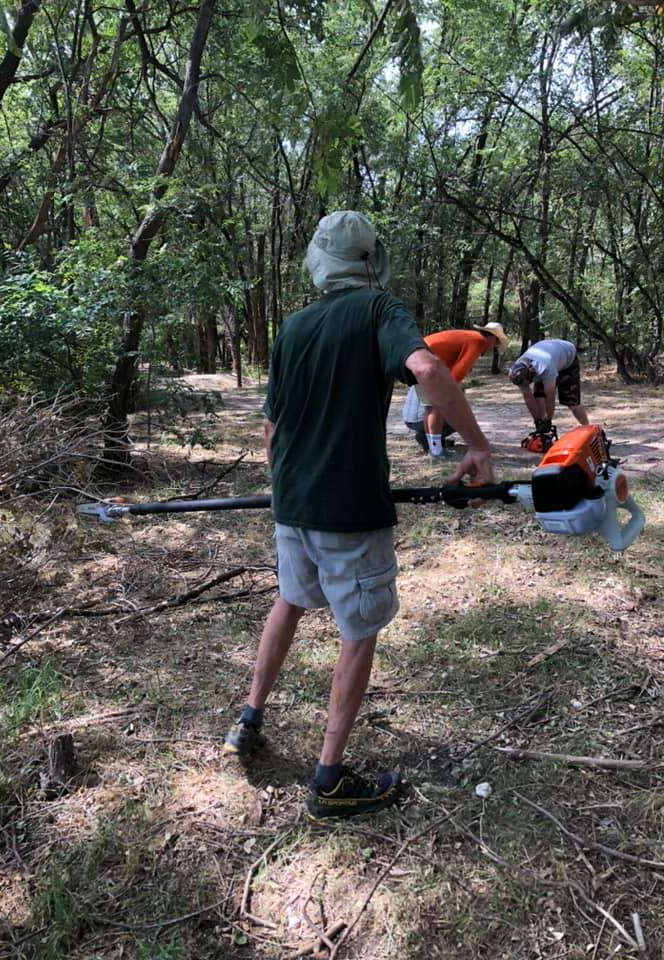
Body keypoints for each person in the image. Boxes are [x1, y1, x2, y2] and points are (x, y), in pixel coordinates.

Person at [222, 210, 495, 822]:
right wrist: (476, 445)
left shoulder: (292, 327)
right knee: (358, 632)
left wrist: (290, 487)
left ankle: (248, 719)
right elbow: (426, 369)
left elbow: (272, 426)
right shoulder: (379, 309)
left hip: (291, 505)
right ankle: (330, 780)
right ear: (372, 261)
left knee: (289, 600)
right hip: (348, 511)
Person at [407, 324, 509, 459]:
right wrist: (452, 390)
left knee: (430, 407)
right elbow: (460, 370)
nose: (493, 347)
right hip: (428, 363)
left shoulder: (470, 336)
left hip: (417, 358)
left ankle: (433, 448)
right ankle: (436, 452)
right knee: (438, 407)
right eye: (496, 343)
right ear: (491, 337)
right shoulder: (478, 341)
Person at [508, 339, 590, 436]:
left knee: (571, 400)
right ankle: (542, 430)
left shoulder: (545, 368)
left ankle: (588, 429)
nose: (526, 386)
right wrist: (537, 421)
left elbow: (550, 397)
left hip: (567, 357)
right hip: (548, 356)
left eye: (527, 383)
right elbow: (528, 396)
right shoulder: (518, 370)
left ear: (530, 374)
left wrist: (549, 420)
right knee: (538, 395)